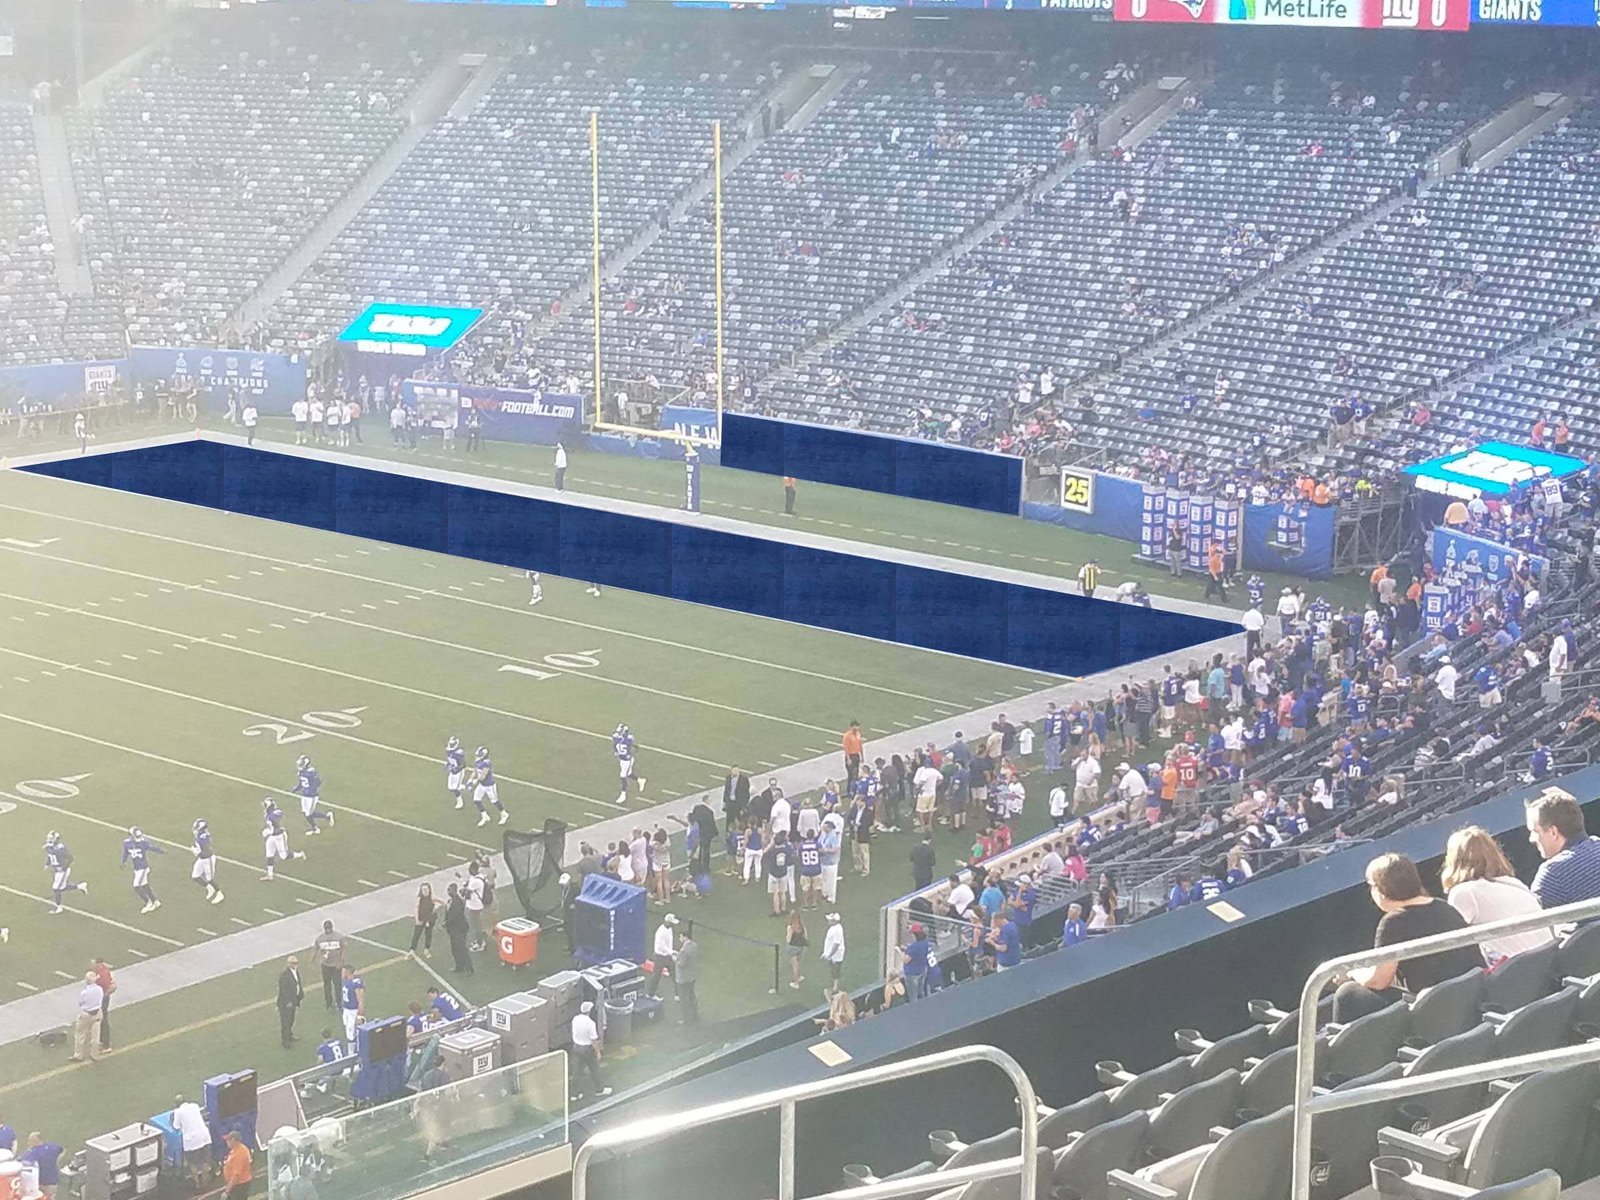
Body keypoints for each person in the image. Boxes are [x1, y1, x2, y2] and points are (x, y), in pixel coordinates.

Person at [1331, 853, 1481, 1023]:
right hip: (1471, 1001)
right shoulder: (1444, 907)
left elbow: (1379, 981)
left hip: (1438, 1010)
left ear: (1382, 889)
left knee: (1348, 993)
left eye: (1371, 886)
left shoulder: (1393, 922)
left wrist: (1352, 973)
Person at [1440, 826, 1554, 966]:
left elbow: (1453, 947)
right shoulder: (1514, 882)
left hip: (1521, 972)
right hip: (1549, 962)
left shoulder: (1463, 893)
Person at [1526, 788, 1600, 908]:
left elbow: (1534, 925)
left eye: (1535, 831)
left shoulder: (1552, 873)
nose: (1531, 839)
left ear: (1553, 832)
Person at [570, 1002, 611, 1098]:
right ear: (589, 1011)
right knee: (594, 1069)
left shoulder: (575, 1019)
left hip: (576, 1047)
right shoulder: (590, 1023)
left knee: (577, 1072)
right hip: (587, 1049)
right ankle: (599, 1089)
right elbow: (593, 1040)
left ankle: (574, 1094)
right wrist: (598, 1052)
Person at [172, 1096, 212, 1190]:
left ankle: (197, 1184)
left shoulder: (178, 1112)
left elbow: (176, 1126)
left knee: (192, 1163)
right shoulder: (194, 1105)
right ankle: (205, 1183)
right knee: (205, 1161)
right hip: (204, 1137)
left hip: (191, 1142)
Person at [312, 920, 347, 1010]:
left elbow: (343, 949)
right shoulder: (320, 938)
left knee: (337, 985)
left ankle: (339, 1003)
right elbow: (316, 949)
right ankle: (329, 1003)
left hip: (336, 965)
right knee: (327, 985)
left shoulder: (339, 937)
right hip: (325, 965)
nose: (328, 930)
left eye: (329, 928)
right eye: (326, 929)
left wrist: (341, 961)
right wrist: (314, 959)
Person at [71, 971, 103, 1063]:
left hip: (86, 1014)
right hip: (97, 1012)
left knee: (80, 1034)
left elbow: (80, 1003)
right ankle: (95, 1054)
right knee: (96, 1035)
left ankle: (78, 1054)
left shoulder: (84, 993)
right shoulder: (99, 989)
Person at [20, 1132, 64, 1200]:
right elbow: (62, 1150)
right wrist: (57, 1162)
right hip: (52, 1183)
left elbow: (20, 1162)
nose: (28, 1142)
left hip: (39, 1184)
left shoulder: (31, 1153)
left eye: (30, 1140)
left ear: (35, 1140)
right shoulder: (52, 1147)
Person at [277, 954, 305, 1048]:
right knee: (286, 1021)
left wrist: (300, 995)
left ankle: (289, 1035)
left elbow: (297, 984)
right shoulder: (284, 975)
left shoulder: (296, 972)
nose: (295, 964)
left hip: (293, 1000)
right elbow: (284, 990)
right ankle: (285, 1041)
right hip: (286, 1003)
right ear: (288, 964)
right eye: (293, 963)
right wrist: (288, 1001)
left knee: (291, 1019)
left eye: (296, 962)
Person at [444, 883, 472, 974]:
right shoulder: (450, 901)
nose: (449, 892)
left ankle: (469, 968)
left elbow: (455, 915)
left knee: (462, 948)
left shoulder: (458, 902)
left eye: (450, 890)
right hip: (452, 929)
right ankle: (459, 966)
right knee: (455, 948)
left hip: (459, 929)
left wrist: (446, 923)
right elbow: (448, 914)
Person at [649, 914, 678, 998]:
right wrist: (672, 952)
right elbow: (661, 946)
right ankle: (651, 994)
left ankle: (678, 993)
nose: (673, 925)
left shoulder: (670, 929)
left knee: (675, 974)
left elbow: (669, 943)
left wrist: (671, 954)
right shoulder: (660, 932)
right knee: (656, 976)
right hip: (660, 957)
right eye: (671, 923)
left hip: (667, 956)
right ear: (667, 922)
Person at [676, 927, 700, 1024]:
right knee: (691, 996)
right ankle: (695, 1015)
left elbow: (681, 964)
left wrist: (675, 959)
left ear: (685, 937)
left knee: (683, 998)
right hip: (692, 976)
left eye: (680, 936)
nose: (679, 938)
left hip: (683, 978)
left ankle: (685, 1019)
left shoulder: (684, 950)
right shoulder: (694, 945)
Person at [92, 957, 115, 1052]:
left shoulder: (103, 973)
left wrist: (104, 995)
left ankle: (106, 1045)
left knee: (104, 1020)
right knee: (100, 1019)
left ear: (98, 963)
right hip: (100, 998)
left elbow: (110, 986)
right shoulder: (100, 971)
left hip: (102, 999)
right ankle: (101, 1039)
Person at [222, 1131, 252, 1200]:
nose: (226, 1142)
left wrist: (227, 1191)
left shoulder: (240, 1153)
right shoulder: (235, 1150)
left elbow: (236, 1175)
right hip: (236, 1185)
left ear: (233, 1140)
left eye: (228, 1140)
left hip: (240, 1185)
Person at [411, 883, 436, 958]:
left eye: (426, 889)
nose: (425, 891)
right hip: (421, 919)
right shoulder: (419, 898)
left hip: (429, 919)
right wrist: (417, 919)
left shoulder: (432, 897)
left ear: (429, 889)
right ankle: (412, 950)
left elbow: (440, 901)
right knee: (416, 935)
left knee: (428, 935)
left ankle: (426, 949)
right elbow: (416, 908)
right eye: (423, 889)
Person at [821, 912, 846, 989]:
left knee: (836, 971)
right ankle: (835, 986)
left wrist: (829, 955)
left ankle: (836, 987)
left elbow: (836, 944)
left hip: (836, 955)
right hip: (833, 955)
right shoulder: (835, 928)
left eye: (830, 920)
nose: (828, 921)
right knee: (834, 970)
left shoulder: (837, 930)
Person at [786, 909, 809, 989]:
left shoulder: (791, 927)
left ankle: (795, 983)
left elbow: (788, 939)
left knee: (794, 965)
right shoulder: (802, 926)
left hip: (793, 947)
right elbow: (806, 936)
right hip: (800, 947)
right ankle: (799, 976)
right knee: (798, 962)